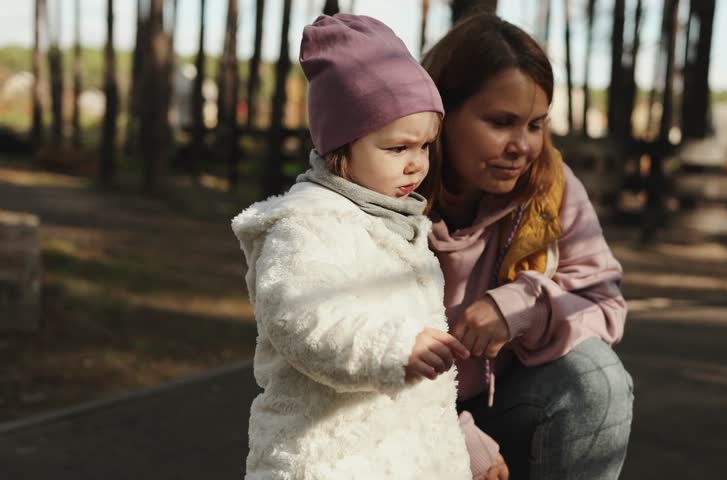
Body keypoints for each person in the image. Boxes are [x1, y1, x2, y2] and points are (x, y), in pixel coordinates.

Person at [232, 14, 487, 479]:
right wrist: (391, 349)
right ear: (339, 145)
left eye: (426, 147)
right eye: (396, 149)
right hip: (326, 458)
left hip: (405, 457)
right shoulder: (307, 224)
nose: (416, 166)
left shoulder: (398, 221)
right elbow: (301, 318)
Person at [419, 14, 635, 480]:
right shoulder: (386, 192)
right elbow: (355, 350)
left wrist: (525, 306)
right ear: (440, 112)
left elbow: (605, 305)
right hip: (392, 419)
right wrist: (460, 440)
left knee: (596, 380)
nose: (523, 146)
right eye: (501, 123)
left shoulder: (549, 188)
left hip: (504, 404)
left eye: (536, 124)